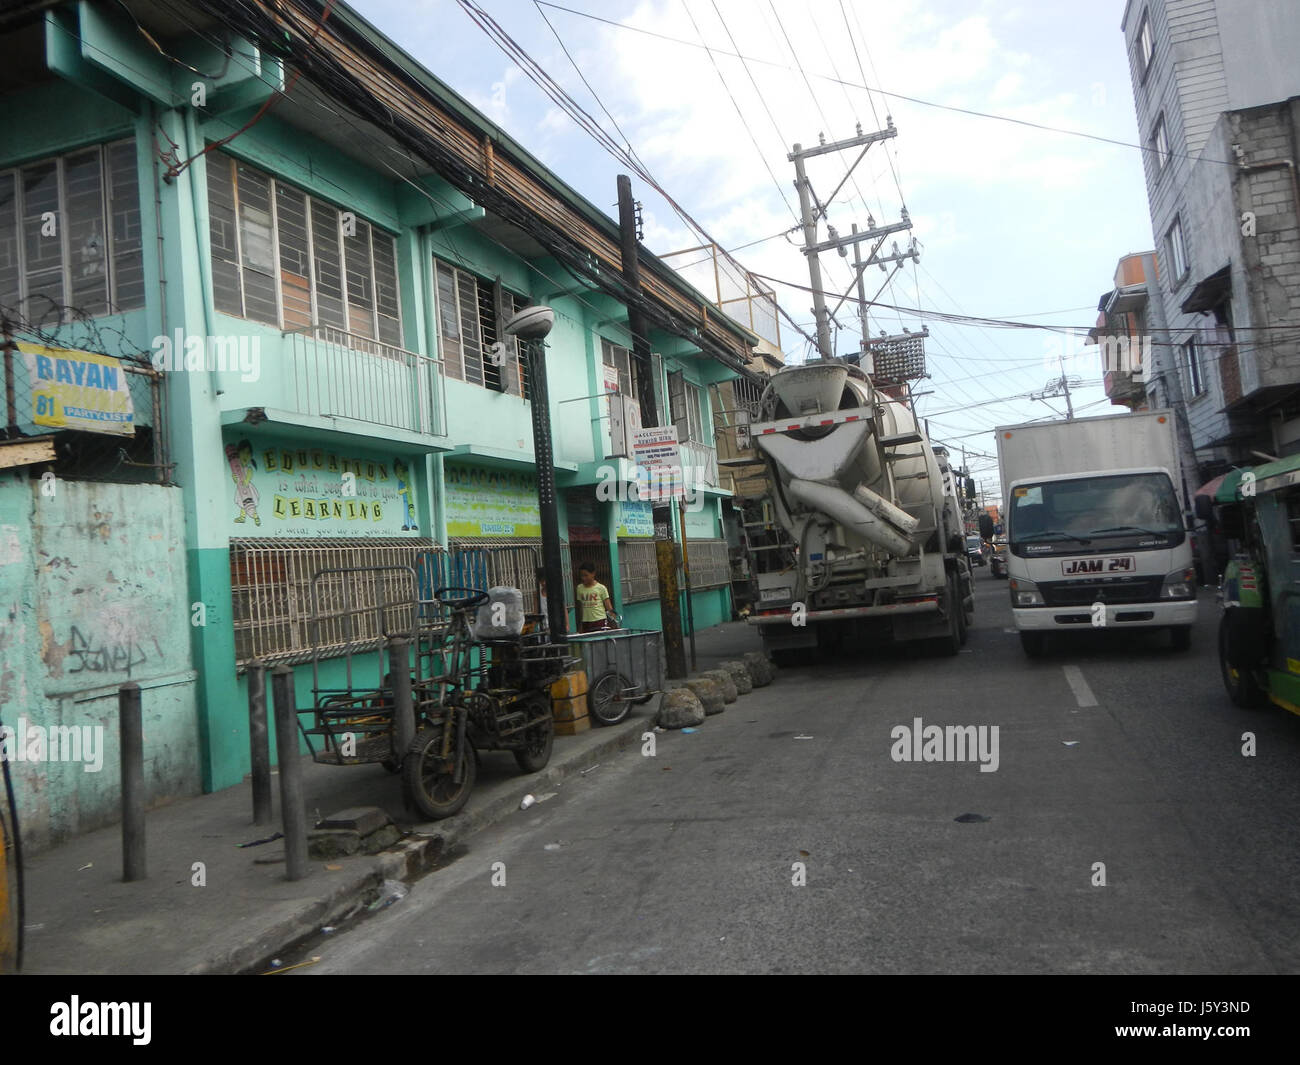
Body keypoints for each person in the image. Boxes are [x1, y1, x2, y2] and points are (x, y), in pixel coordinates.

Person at [575, 562, 614, 633]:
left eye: (586, 575)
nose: (583, 578)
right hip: (586, 622)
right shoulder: (579, 588)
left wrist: (614, 624)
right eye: (582, 576)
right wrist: (581, 625)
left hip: (599, 621)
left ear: (593, 574)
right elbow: (581, 608)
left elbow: (609, 608)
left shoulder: (601, 588)